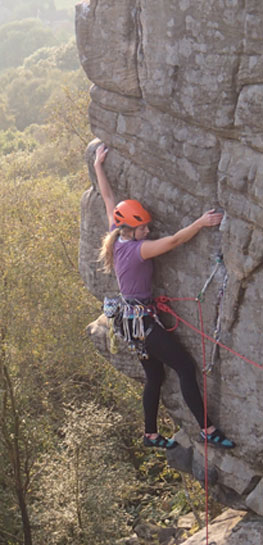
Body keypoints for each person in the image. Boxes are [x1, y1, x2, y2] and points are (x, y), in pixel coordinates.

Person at [94, 143, 235, 450]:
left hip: (130, 325)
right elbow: (173, 242)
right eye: (144, 227)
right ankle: (207, 429)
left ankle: (150, 434)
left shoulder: (117, 236)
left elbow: (108, 199)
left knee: (155, 376)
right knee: (184, 367)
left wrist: (98, 166)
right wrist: (200, 222)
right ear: (131, 229)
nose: (149, 230)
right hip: (143, 325)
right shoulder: (137, 249)